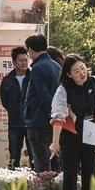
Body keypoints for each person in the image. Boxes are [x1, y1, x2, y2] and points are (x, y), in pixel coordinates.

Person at [50, 55, 95, 190]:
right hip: (71, 135)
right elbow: (59, 117)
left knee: (90, 173)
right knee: (70, 175)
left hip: (91, 132)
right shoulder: (63, 90)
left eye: (83, 68)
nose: (82, 73)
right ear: (69, 74)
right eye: (76, 71)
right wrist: (55, 143)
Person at [23, 33, 61, 173]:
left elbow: (43, 95)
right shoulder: (56, 66)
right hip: (53, 124)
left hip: (39, 122)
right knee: (55, 162)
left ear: (31, 50)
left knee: (42, 166)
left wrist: (52, 114)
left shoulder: (38, 68)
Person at [0, 46, 31, 167]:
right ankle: (13, 183)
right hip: (14, 124)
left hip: (31, 123)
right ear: (13, 62)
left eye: (26, 60)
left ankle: (37, 182)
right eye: (21, 60)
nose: (24, 63)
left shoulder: (33, 76)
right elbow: (5, 101)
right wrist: (14, 111)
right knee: (14, 156)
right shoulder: (7, 80)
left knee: (34, 156)